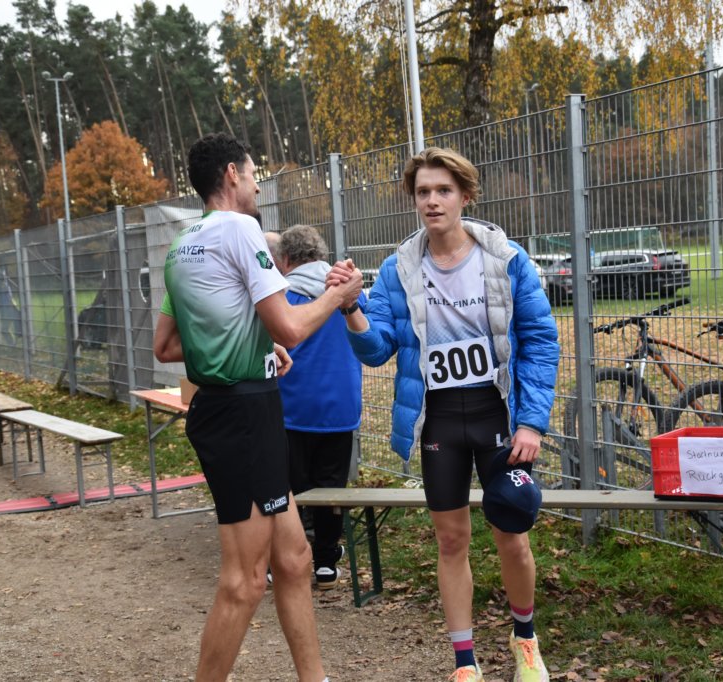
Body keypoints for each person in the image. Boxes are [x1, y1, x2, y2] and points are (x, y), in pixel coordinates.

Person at [329, 147, 559, 682]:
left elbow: (541, 342)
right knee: (451, 540)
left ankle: (525, 640)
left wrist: (531, 422)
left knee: (512, 535)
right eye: (423, 192)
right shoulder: (398, 269)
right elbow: (377, 349)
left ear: (465, 197)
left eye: (443, 191)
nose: (432, 201)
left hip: (497, 415)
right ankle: (464, 663)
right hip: (439, 420)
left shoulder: (505, 259)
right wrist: (350, 307)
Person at [152, 132, 363, 682]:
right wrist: (338, 296)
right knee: (244, 581)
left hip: (237, 411)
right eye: (253, 175)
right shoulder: (242, 229)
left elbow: (167, 347)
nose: (258, 186)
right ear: (231, 175)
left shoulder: (183, 242)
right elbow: (291, 328)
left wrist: (253, 344)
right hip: (244, 416)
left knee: (293, 560)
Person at [276, 224, 366, 590]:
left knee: (288, 488)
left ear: (285, 259)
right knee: (331, 488)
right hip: (340, 406)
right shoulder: (346, 292)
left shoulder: (282, 296)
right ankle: (326, 562)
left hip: (292, 407)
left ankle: (283, 561)